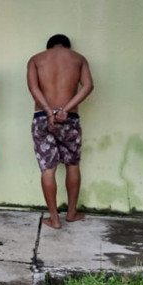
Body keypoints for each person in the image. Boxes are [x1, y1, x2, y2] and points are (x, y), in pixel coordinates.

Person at [27, 34, 94, 229]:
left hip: (42, 116)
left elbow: (33, 88)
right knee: (72, 165)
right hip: (69, 117)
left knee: (48, 168)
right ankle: (71, 213)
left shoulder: (36, 59)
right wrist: (65, 109)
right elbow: (88, 85)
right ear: (67, 47)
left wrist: (49, 112)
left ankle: (54, 219)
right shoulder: (78, 59)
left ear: (49, 47)